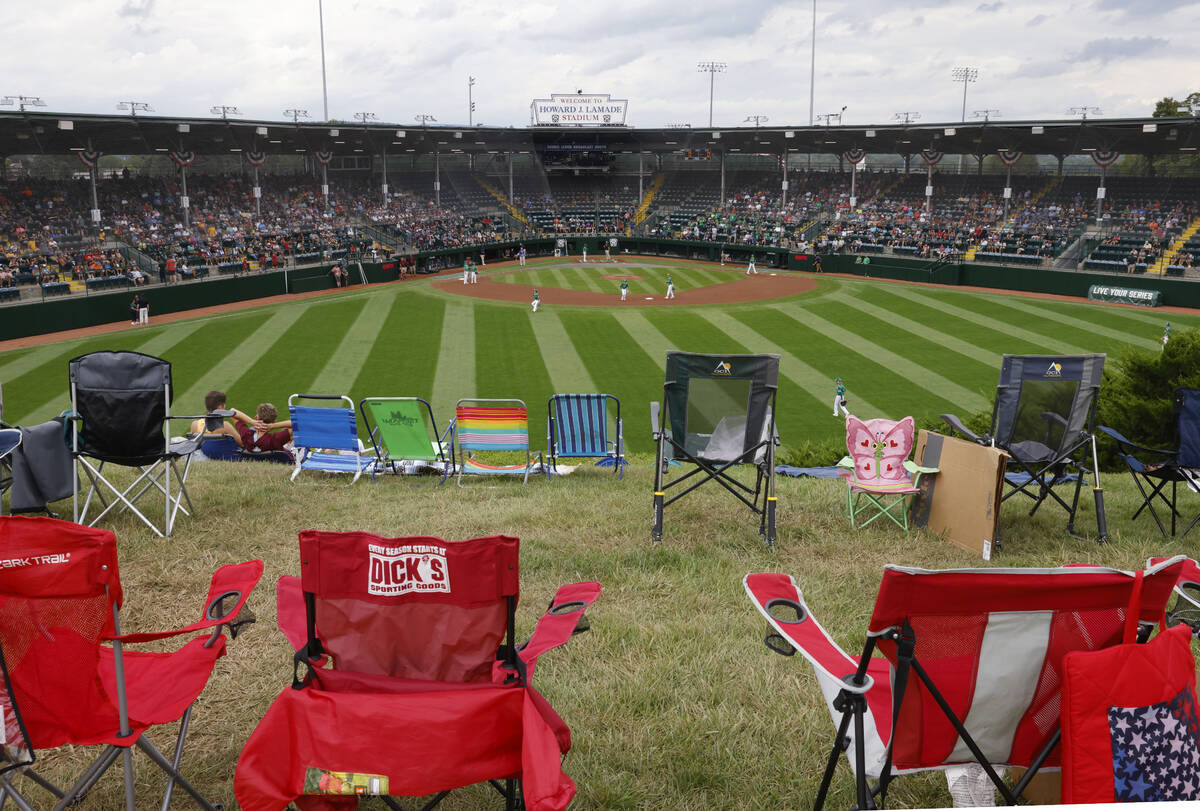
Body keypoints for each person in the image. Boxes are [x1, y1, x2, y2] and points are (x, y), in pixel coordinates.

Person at [189, 390, 264, 447]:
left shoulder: (194, 424)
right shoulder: (225, 426)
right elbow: (243, 443)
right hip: (223, 456)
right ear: (220, 407)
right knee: (252, 429)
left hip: (206, 454)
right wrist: (251, 422)